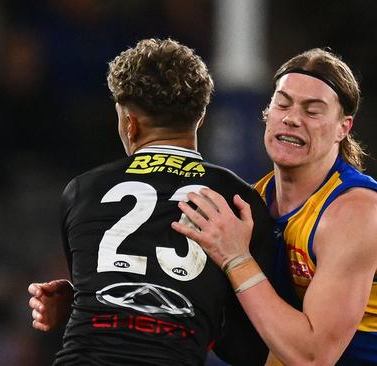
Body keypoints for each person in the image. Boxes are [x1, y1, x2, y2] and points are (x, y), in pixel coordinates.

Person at [172, 48, 377, 365]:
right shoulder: (256, 201)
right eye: (283, 103)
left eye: (313, 111)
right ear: (267, 113)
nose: (293, 118)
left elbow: (313, 357)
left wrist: (236, 258)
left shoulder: (355, 213)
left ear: (344, 128)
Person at [27, 37, 280, 365]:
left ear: (129, 125)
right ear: (201, 119)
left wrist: (77, 306)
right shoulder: (240, 200)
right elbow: (248, 350)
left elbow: (109, 310)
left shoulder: (82, 191)